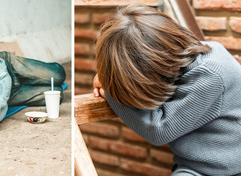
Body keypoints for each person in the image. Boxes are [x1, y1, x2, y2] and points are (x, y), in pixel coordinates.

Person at [93, 4, 241, 176]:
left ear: (161, 64)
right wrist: (111, 80)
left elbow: (159, 130)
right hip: (195, 168)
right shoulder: (184, 59)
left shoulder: (210, 75)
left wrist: (111, 91)